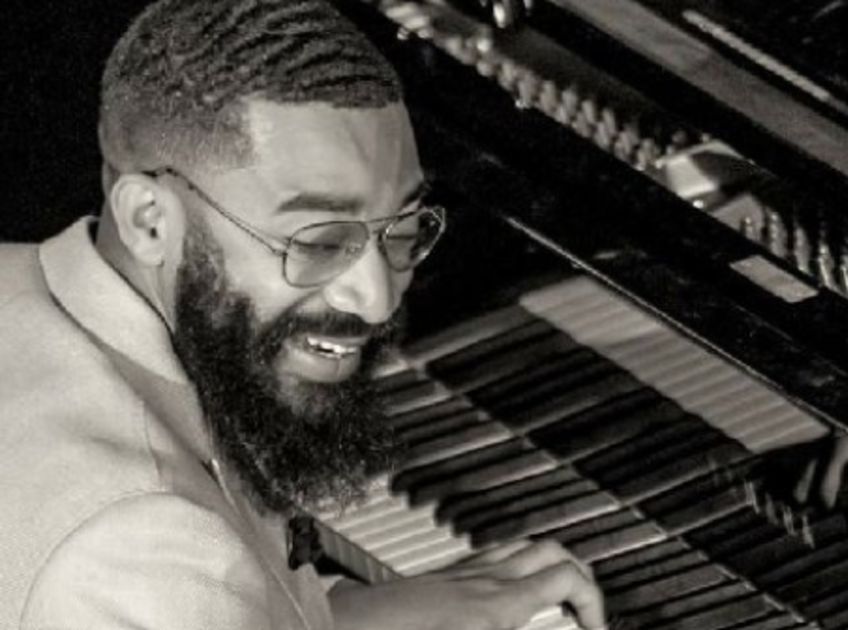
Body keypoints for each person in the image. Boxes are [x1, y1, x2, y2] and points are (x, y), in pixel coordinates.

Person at [0, 0, 605, 628]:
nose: (378, 297)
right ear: (149, 221)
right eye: (317, 242)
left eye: (402, 228)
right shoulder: (150, 557)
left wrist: (343, 615)